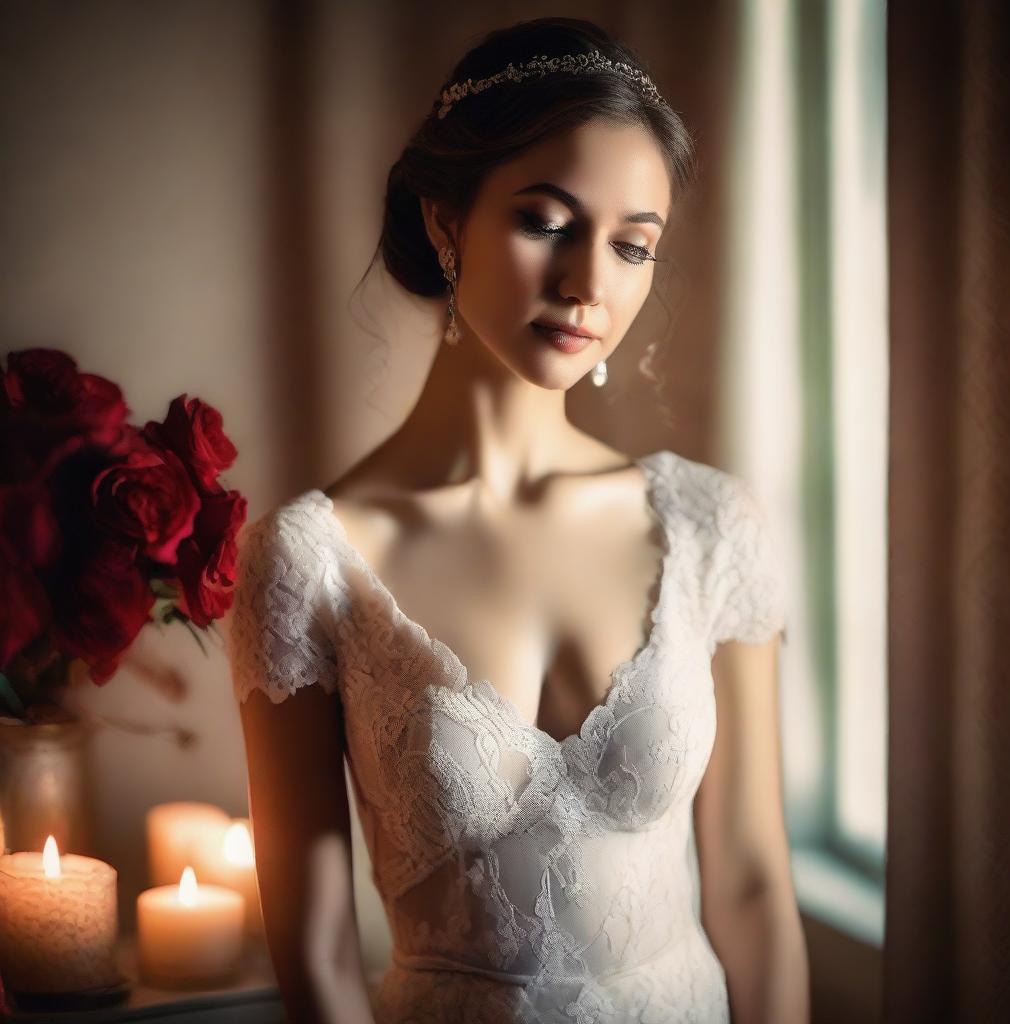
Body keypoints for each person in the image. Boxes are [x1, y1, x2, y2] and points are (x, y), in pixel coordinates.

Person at [229, 16, 810, 1024]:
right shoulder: (309, 562)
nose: (590, 283)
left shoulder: (709, 524)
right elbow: (317, 952)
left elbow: (754, 887)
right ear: (445, 222)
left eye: (633, 246)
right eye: (547, 220)